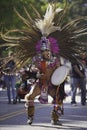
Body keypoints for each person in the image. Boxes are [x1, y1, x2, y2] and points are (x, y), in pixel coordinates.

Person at [25, 36, 67, 125]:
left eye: (48, 50)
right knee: (30, 97)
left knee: (58, 99)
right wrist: (36, 73)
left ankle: (55, 119)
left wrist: (60, 78)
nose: (47, 52)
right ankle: (30, 117)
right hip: (40, 83)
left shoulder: (55, 60)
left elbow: (59, 71)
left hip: (51, 84)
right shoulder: (37, 60)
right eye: (45, 51)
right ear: (41, 51)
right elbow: (34, 68)